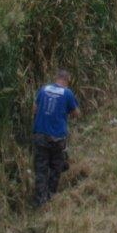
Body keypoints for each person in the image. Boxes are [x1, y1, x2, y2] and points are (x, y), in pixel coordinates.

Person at [32, 69, 80, 206]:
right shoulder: (67, 93)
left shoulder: (43, 89)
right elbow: (76, 113)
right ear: (66, 81)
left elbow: (34, 109)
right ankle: (51, 197)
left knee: (41, 169)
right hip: (57, 138)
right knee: (56, 168)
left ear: (56, 78)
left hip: (40, 134)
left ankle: (40, 200)